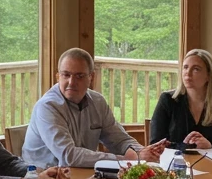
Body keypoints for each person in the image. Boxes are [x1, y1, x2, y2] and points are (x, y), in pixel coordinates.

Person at [23, 48, 167, 168]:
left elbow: (119, 139)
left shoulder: (98, 102)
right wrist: (126, 159)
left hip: (82, 176)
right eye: (66, 75)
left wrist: (142, 151)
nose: (71, 82)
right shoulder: (48, 106)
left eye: (79, 76)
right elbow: (69, 156)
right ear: (57, 77)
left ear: (91, 77)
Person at [149, 48, 212, 149]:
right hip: (174, 163)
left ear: (208, 75)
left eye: (196, 69)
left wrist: (210, 146)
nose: (188, 73)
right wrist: (186, 146)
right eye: (185, 67)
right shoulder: (167, 100)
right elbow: (156, 143)